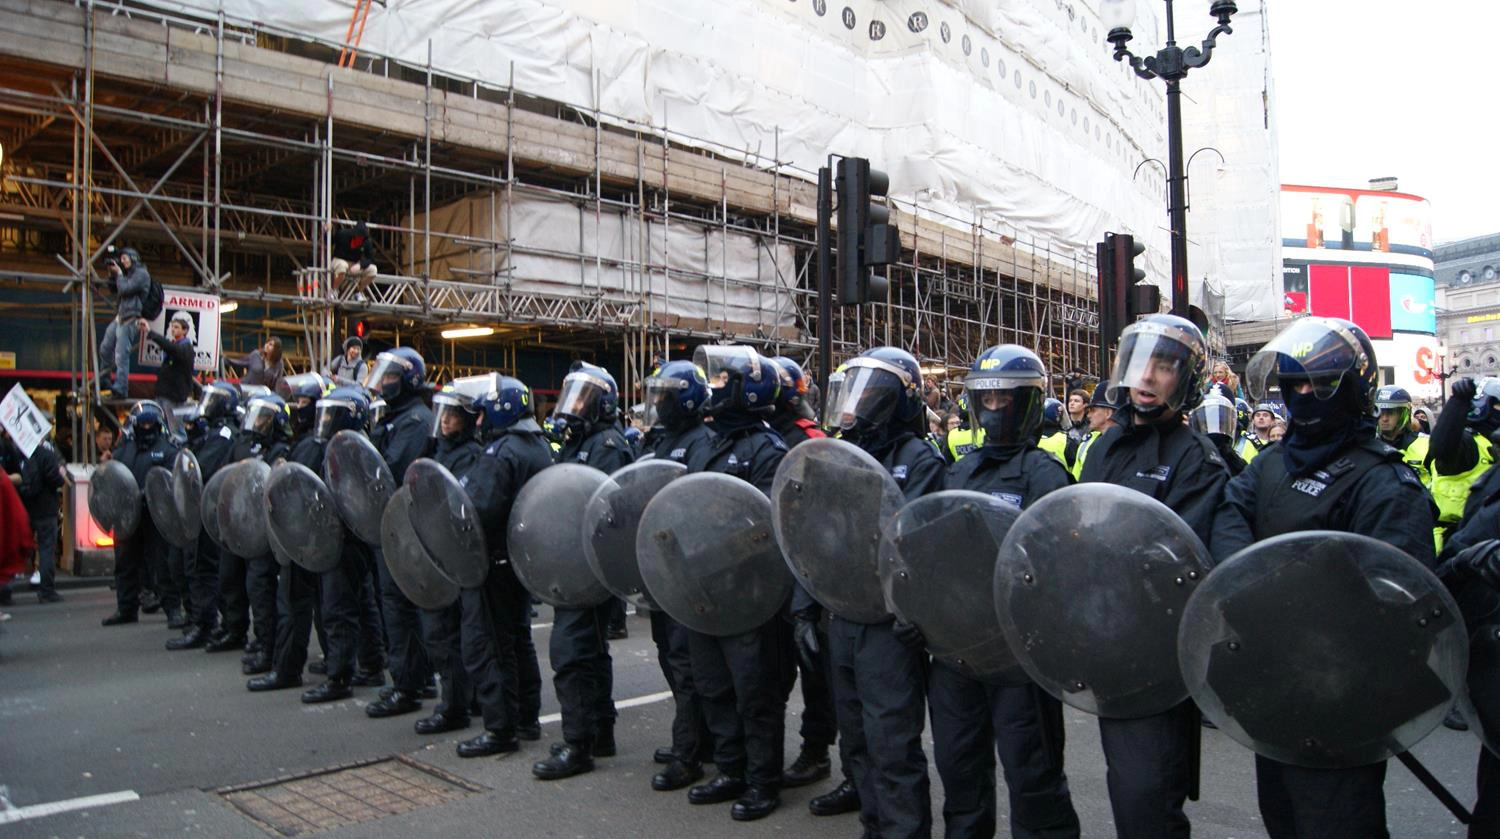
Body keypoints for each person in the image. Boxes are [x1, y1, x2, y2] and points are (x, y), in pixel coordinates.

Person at [1212, 317, 1435, 838]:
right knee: (1283, 818)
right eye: (1296, 384)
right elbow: (1230, 513)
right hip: (1273, 685)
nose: (1305, 394)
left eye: (1319, 383)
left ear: (1354, 389)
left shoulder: (1385, 482)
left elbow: (1399, 600)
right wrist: (1251, 585)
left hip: (1342, 696)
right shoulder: (1272, 464)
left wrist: (1296, 605)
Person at [1079, 314, 1230, 839]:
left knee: (1147, 801)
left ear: (1185, 378)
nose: (1145, 379)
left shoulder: (1197, 459)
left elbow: (1181, 565)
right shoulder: (1104, 447)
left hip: (1156, 655)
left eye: (1162, 367)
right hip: (1106, 644)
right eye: (1138, 365)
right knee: (1128, 791)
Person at [935, 344, 1082, 839]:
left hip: (1019, 652)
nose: (994, 409)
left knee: (1032, 773)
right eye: (987, 399)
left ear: (1028, 405)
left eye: (1005, 399)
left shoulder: (1045, 473)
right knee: (959, 768)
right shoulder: (960, 468)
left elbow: (1055, 568)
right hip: (958, 650)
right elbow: (934, 552)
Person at [816, 345, 943, 838]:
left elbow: (925, 549)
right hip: (843, 612)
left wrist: (917, 616)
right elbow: (813, 535)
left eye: (869, 395)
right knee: (857, 740)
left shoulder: (919, 459)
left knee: (891, 743)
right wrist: (808, 607)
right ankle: (875, 827)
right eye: (851, 394)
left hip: (889, 622)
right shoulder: (839, 455)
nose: (855, 407)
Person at [679, 345, 790, 821]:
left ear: (749, 389)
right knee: (713, 685)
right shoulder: (706, 443)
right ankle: (730, 768)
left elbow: (764, 527)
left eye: (724, 380)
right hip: (704, 589)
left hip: (748, 594)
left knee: (754, 691)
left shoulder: (768, 449)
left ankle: (763, 780)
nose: (714, 385)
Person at [531, 361, 633, 781]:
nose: (574, 406)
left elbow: (605, 510)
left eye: (584, 396)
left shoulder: (606, 444)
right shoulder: (581, 441)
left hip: (589, 568)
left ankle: (578, 744)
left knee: (573, 654)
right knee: (589, 653)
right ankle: (597, 732)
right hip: (576, 564)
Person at [441, 374, 551, 756]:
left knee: (486, 644)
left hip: (490, 562)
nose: (481, 418)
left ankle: (499, 728)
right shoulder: (538, 446)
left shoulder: (502, 452)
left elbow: (477, 508)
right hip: (520, 561)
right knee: (518, 640)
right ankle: (526, 718)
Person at [766, 357, 843, 793]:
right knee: (773, 671)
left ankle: (816, 751)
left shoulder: (809, 438)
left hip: (806, 570)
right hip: (768, 569)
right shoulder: (762, 434)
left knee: (816, 670)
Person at [638, 360, 716, 790]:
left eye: (667, 395)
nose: (660, 403)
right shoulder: (663, 440)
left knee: (687, 666)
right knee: (671, 658)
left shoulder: (702, 442)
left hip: (686, 570)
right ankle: (698, 738)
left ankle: (688, 755)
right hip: (661, 566)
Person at [362, 347, 438, 720]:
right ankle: (418, 677)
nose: (384, 382)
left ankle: (407, 685)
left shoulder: (414, 421)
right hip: (395, 524)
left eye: (391, 376)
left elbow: (392, 470)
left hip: (404, 525)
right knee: (401, 606)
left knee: (399, 607)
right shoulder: (396, 417)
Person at [300, 386, 388, 703]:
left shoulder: (350, 449)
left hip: (345, 536)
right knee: (362, 603)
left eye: (330, 414)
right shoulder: (354, 445)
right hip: (355, 537)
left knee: (339, 608)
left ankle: (339, 677)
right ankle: (372, 664)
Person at [165, 384, 239, 650]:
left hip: (212, 507)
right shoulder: (215, 431)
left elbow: (202, 467)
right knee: (200, 567)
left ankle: (205, 624)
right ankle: (210, 622)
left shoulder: (224, 434)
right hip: (207, 507)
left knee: (203, 569)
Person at [101, 401, 183, 626]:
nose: (146, 428)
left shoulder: (169, 450)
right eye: (142, 424)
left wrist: (149, 494)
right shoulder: (123, 451)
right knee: (125, 563)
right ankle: (126, 608)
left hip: (157, 516)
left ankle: (173, 609)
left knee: (162, 564)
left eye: (150, 424)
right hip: (128, 516)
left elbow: (172, 481)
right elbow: (113, 478)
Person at [230, 392, 294, 674]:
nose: (258, 424)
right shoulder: (253, 447)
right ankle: (264, 643)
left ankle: (269, 650)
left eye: (264, 419)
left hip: (271, 535)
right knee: (256, 590)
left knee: (265, 591)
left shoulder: (281, 450)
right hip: (254, 530)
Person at [1428, 377, 1500, 550]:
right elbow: (1441, 448)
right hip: (1456, 547)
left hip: (1488, 545)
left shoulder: (1492, 442)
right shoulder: (1468, 442)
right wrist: (1457, 403)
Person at [9, 427, 65, 603]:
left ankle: (7, 587)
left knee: (17, 547)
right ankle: (46, 590)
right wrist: (60, 476)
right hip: (46, 509)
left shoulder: (18, 455)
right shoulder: (46, 455)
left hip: (25, 507)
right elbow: (56, 479)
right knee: (46, 549)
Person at [98, 247, 151, 400]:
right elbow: (115, 290)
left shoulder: (141, 274)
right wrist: (112, 274)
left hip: (131, 317)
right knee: (105, 348)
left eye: (125, 258)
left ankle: (121, 387)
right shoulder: (128, 274)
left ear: (134, 258)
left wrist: (120, 274)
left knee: (121, 354)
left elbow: (126, 289)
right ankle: (104, 379)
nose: (122, 261)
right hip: (120, 316)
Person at [140, 311, 198, 435]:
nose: (173, 330)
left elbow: (172, 349)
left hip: (173, 396)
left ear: (185, 331)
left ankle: (178, 451)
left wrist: (151, 333)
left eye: (176, 327)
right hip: (165, 394)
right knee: (164, 428)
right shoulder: (176, 346)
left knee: (175, 430)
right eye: (172, 327)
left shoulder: (185, 348)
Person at [1374, 385, 1431, 484]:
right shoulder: (1369, 447)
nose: (1384, 418)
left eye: (1390, 412)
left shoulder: (1427, 445)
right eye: (1381, 412)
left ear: (1403, 413)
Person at [1190, 390, 1248, 476]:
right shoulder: (1189, 458)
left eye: (1220, 421)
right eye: (1210, 420)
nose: (1215, 427)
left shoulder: (1236, 463)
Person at [1069, 383, 1116, 480]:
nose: (1089, 415)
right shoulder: (1087, 441)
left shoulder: (1127, 445)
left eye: (1093, 410)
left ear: (1108, 413)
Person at [328, 220, 378, 293]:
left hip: (354, 265)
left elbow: (371, 258)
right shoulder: (342, 234)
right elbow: (328, 242)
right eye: (358, 237)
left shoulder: (366, 242)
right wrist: (326, 233)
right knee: (342, 266)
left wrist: (360, 265)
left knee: (373, 270)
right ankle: (332, 291)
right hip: (339, 260)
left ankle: (358, 292)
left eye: (362, 238)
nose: (360, 240)